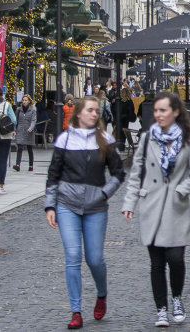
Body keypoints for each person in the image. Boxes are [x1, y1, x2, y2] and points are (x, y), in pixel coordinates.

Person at [122, 91, 190, 327]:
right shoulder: (148, 139)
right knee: (157, 263)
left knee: (176, 258)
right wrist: (129, 203)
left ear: (176, 112)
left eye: (163, 110)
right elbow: (136, 173)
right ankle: (161, 309)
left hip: (176, 208)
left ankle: (177, 298)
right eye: (156, 110)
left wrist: (182, 188)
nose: (158, 114)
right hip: (151, 206)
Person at [46, 96, 126, 329]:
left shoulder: (105, 140)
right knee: (72, 257)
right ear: (78, 113)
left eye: (96, 111)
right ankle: (76, 311)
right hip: (66, 204)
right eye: (90, 110)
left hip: (95, 206)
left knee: (94, 258)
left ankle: (102, 294)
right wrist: (50, 205)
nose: (94, 114)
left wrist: (104, 194)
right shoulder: (65, 139)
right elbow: (53, 174)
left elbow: (119, 173)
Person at [13, 94, 37, 172]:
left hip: (29, 131)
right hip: (20, 130)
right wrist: (14, 130)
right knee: (20, 147)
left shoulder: (32, 110)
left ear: (29, 101)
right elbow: (15, 120)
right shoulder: (18, 110)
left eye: (26, 100)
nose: (24, 102)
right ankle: (17, 165)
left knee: (29, 148)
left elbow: (34, 120)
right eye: (23, 100)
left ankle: (31, 165)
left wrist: (31, 127)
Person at [115, 87, 136, 152]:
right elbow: (132, 110)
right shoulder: (129, 101)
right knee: (124, 132)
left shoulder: (119, 101)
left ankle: (119, 145)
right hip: (126, 120)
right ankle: (122, 145)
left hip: (119, 119)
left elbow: (115, 109)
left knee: (119, 133)